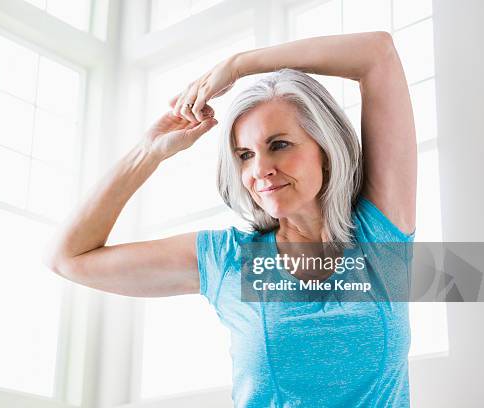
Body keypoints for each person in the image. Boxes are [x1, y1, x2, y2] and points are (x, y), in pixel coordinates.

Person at [44, 31, 417, 407]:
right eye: (244, 155)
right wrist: (148, 152)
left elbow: (377, 53)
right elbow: (68, 258)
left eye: (279, 145)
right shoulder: (228, 260)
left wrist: (239, 65)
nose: (260, 170)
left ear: (325, 147)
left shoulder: (381, 236)